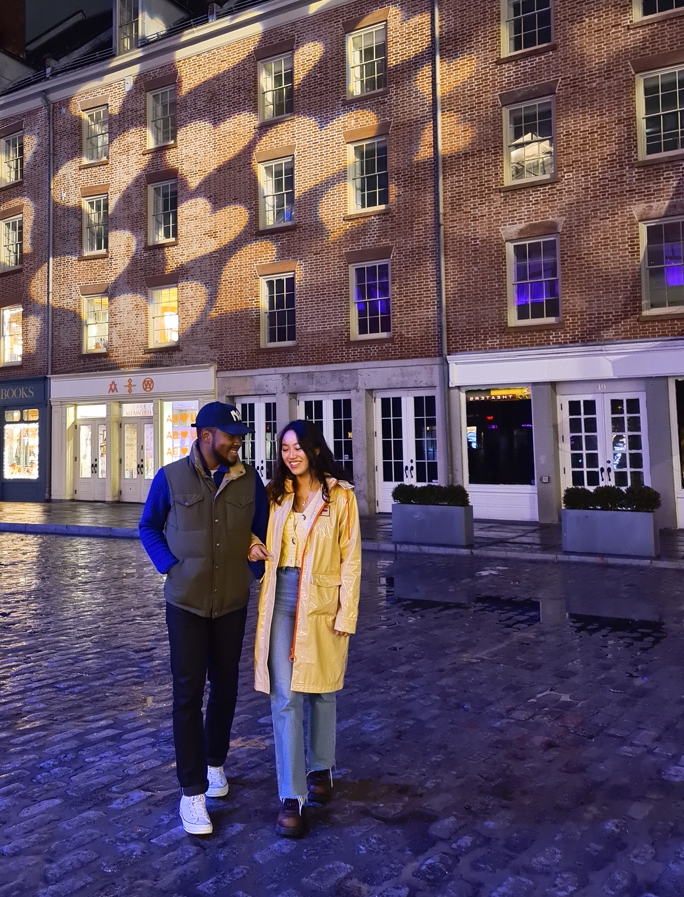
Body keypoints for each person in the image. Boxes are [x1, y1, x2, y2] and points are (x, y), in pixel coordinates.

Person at [139, 401, 268, 835]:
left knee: (226, 688)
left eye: (239, 437)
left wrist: (253, 565)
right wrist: (169, 565)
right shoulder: (171, 477)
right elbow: (148, 526)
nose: (238, 442)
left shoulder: (250, 479)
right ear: (206, 435)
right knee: (186, 694)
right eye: (231, 436)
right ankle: (191, 791)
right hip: (186, 603)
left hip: (232, 602)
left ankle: (215, 764)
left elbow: (263, 529)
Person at [252, 420, 362, 838]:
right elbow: (253, 533)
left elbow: (351, 560)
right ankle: (291, 795)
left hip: (322, 599)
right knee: (285, 697)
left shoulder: (340, 498)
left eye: (298, 447)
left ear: (315, 450)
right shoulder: (275, 496)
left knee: (321, 690)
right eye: (284, 448)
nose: (291, 454)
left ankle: (321, 767)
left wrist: (345, 614)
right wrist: (252, 544)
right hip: (280, 597)